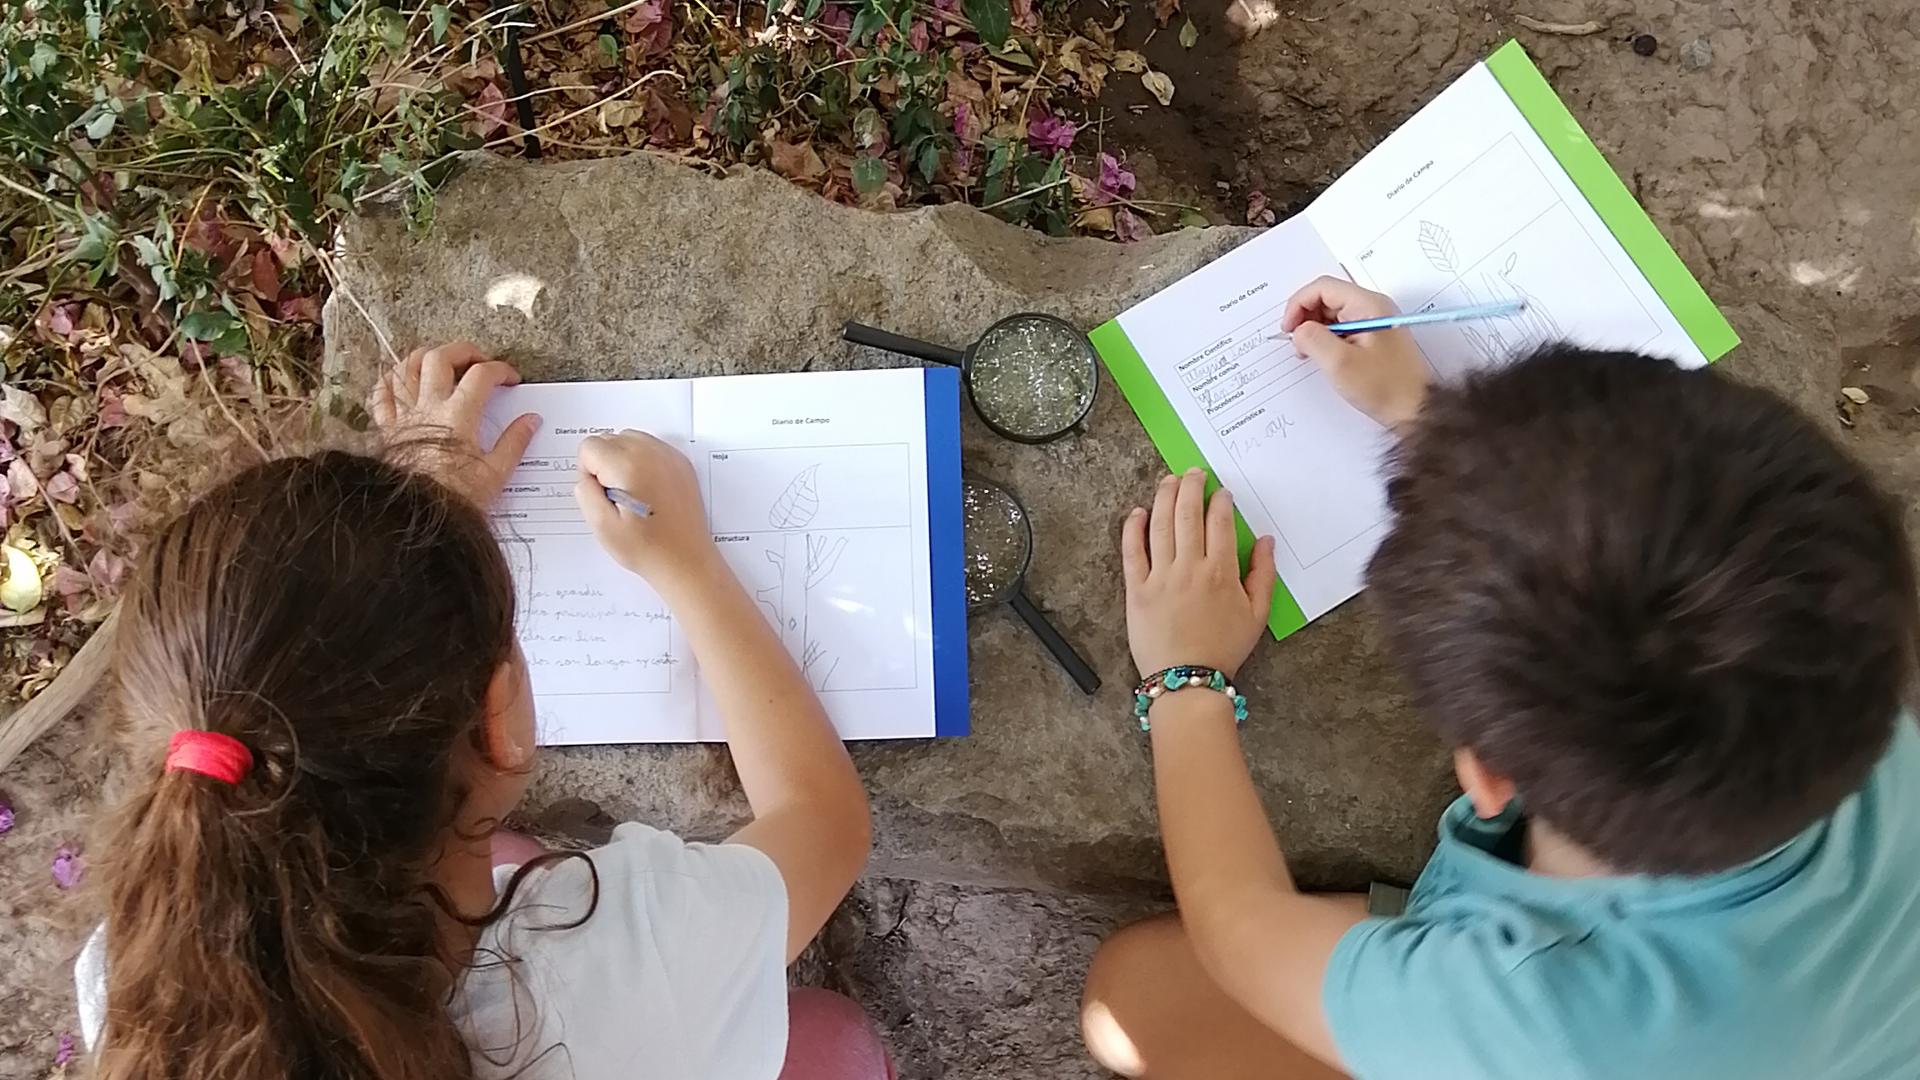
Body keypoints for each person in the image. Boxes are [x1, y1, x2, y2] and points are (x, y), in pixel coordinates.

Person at [1080, 278, 1920, 1080]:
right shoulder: (1835, 662)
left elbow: (1239, 933)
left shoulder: (1537, 1014)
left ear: (1487, 778)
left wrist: (1185, 681)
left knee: (1130, 997)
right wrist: (1436, 429)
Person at [75, 344, 893, 1080]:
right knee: (836, 1042)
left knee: (505, 850)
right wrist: (689, 566)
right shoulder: (622, 971)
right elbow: (823, 820)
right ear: (497, 719)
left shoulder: (140, 974)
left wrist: (419, 530)